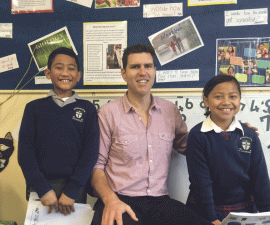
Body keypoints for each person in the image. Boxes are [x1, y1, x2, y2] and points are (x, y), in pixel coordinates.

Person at [90, 43, 212, 225]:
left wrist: (227, 129)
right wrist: (110, 200)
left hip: (160, 202)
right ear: (123, 73)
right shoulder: (107, 114)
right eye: (134, 67)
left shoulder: (170, 111)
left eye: (147, 66)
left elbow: (193, 147)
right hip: (121, 199)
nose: (142, 72)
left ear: (154, 70)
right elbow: (96, 167)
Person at [18, 47, 99, 215]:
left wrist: (72, 191)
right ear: (48, 73)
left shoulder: (88, 109)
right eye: (59, 67)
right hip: (40, 187)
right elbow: (25, 153)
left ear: (78, 75)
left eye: (71, 68)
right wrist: (42, 188)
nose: (65, 73)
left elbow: (90, 153)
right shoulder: (33, 108)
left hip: (74, 189)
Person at [186, 75, 270, 225]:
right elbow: (201, 183)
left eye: (233, 96)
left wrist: (267, 214)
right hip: (206, 210)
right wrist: (212, 218)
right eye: (218, 96)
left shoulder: (249, 134)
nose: (226, 102)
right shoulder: (197, 135)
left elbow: (261, 179)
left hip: (243, 210)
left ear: (239, 99)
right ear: (206, 101)